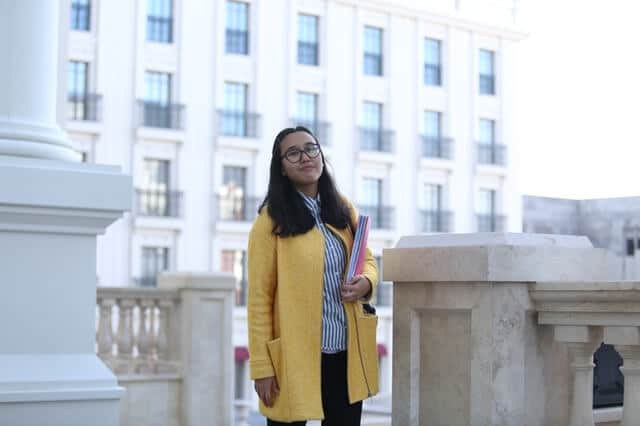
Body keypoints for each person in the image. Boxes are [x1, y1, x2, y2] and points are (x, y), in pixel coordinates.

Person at [247, 126, 380, 425]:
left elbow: (367, 259)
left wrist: (367, 282)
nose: (305, 157)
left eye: (311, 148)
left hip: (345, 353)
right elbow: (258, 300)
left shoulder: (343, 208)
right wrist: (261, 367)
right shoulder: (269, 221)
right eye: (293, 153)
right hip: (294, 358)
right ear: (280, 166)